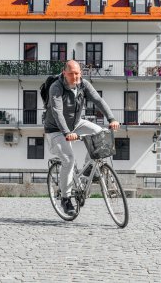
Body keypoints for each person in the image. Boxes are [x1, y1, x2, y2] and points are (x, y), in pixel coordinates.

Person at [44, 60, 120, 215]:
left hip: (76, 123)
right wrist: (66, 133)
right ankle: (65, 199)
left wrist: (111, 119)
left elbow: (98, 100)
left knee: (100, 133)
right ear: (64, 73)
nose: (75, 76)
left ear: (81, 73)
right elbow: (57, 112)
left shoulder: (83, 84)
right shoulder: (56, 87)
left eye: (77, 73)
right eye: (71, 73)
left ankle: (89, 168)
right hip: (55, 130)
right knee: (68, 160)